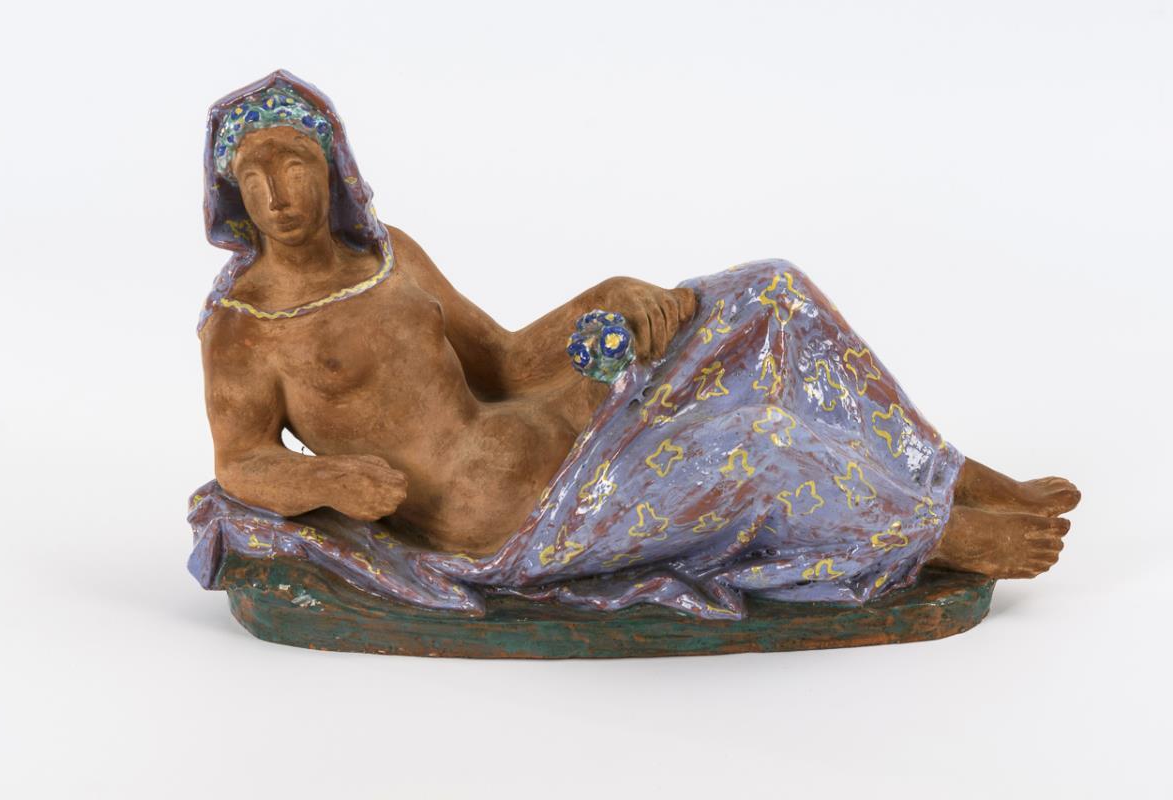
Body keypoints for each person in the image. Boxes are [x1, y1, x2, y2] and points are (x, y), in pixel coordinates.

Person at [189, 72, 1079, 619]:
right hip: (514, 520)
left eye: (294, 164)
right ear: (232, 193)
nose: (277, 193)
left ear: (332, 168)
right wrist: (329, 481)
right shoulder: (243, 326)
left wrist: (605, 295)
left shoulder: (392, 258)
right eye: (254, 174)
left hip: (563, 424)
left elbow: (505, 361)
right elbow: (241, 461)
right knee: (758, 442)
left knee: (771, 292)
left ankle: (947, 472)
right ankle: (938, 535)